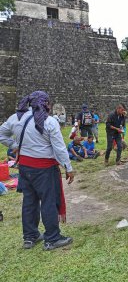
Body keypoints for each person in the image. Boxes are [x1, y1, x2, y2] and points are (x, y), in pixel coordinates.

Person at [0, 91, 74, 250]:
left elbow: (1, 134)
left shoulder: (16, 118)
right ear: (46, 104)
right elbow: (59, 148)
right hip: (44, 168)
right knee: (48, 200)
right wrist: (68, 167)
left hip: (25, 167)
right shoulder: (49, 121)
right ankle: (52, 238)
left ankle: (30, 236)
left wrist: (15, 146)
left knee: (29, 201)